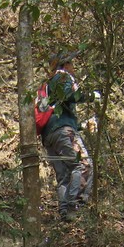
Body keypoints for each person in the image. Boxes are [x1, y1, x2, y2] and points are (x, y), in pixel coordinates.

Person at [40, 50, 95, 222]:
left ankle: (65, 213)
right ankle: (73, 205)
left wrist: (81, 126)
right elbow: (67, 96)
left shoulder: (49, 84)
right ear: (64, 65)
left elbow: (59, 111)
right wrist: (90, 96)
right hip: (63, 131)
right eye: (71, 63)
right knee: (83, 165)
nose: (74, 67)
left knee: (64, 175)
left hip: (50, 135)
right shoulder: (62, 77)